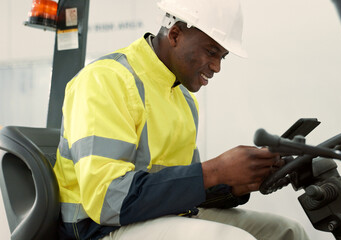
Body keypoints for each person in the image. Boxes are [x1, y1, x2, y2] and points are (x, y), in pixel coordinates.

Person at [54, 0, 309, 239]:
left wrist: (235, 182)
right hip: (100, 229)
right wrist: (215, 171)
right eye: (211, 52)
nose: (217, 66)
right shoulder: (106, 81)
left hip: (156, 216)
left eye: (222, 57)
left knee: (286, 232)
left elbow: (182, 191)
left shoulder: (184, 100)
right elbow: (108, 200)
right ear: (175, 34)